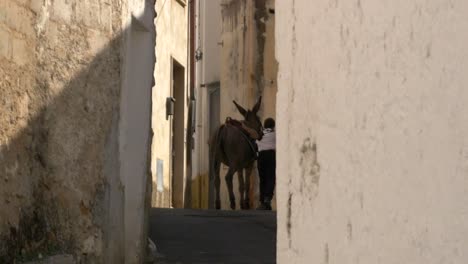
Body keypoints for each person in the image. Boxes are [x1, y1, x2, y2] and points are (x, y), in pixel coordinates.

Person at [256, 118, 276, 210]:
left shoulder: (260, 135)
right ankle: (267, 199)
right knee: (270, 178)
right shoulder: (275, 134)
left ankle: (262, 201)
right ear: (273, 125)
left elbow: (256, 144)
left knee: (262, 179)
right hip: (271, 156)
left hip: (261, 157)